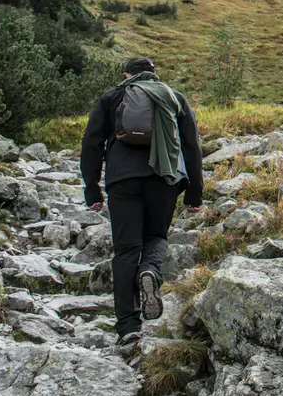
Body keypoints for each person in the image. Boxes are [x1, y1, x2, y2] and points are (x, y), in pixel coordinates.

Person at [81, 56, 203, 351]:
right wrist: (194, 194)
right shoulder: (174, 97)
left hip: (122, 179)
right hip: (164, 178)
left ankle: (128, 326)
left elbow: (91, 144)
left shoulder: (112, 96)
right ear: (154, 74)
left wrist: (92, 190)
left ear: (126, 74)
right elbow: (191, 146)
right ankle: (150, 271)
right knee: (156, 237)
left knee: (125, 250)